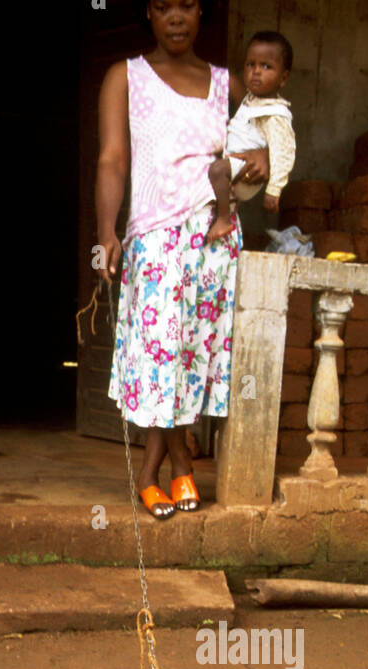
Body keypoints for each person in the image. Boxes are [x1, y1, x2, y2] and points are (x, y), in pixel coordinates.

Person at [96, 0, 270, 518]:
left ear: (202, 13)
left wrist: (265, 157)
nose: (176, 17)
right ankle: (179, 467)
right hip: (153, 235)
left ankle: (154, 469)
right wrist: (107, 229)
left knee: (194, 354)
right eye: (163, 6)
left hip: (215, 237)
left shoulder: (227, 85)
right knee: (159, 352)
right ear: (147, 13)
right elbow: (112, 159)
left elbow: (268, 132)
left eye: (187, 5)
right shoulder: (124, 77)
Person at [206, 31, 295, 244]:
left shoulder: (275, 113)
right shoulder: (251, 101)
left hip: (248, 168)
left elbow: (284, 152)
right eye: (250, 65)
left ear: (283, 78)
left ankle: (223, 219)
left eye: (266, 66)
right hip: (236, 163)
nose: (256, 72)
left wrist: (274, 190)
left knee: (217, 170)